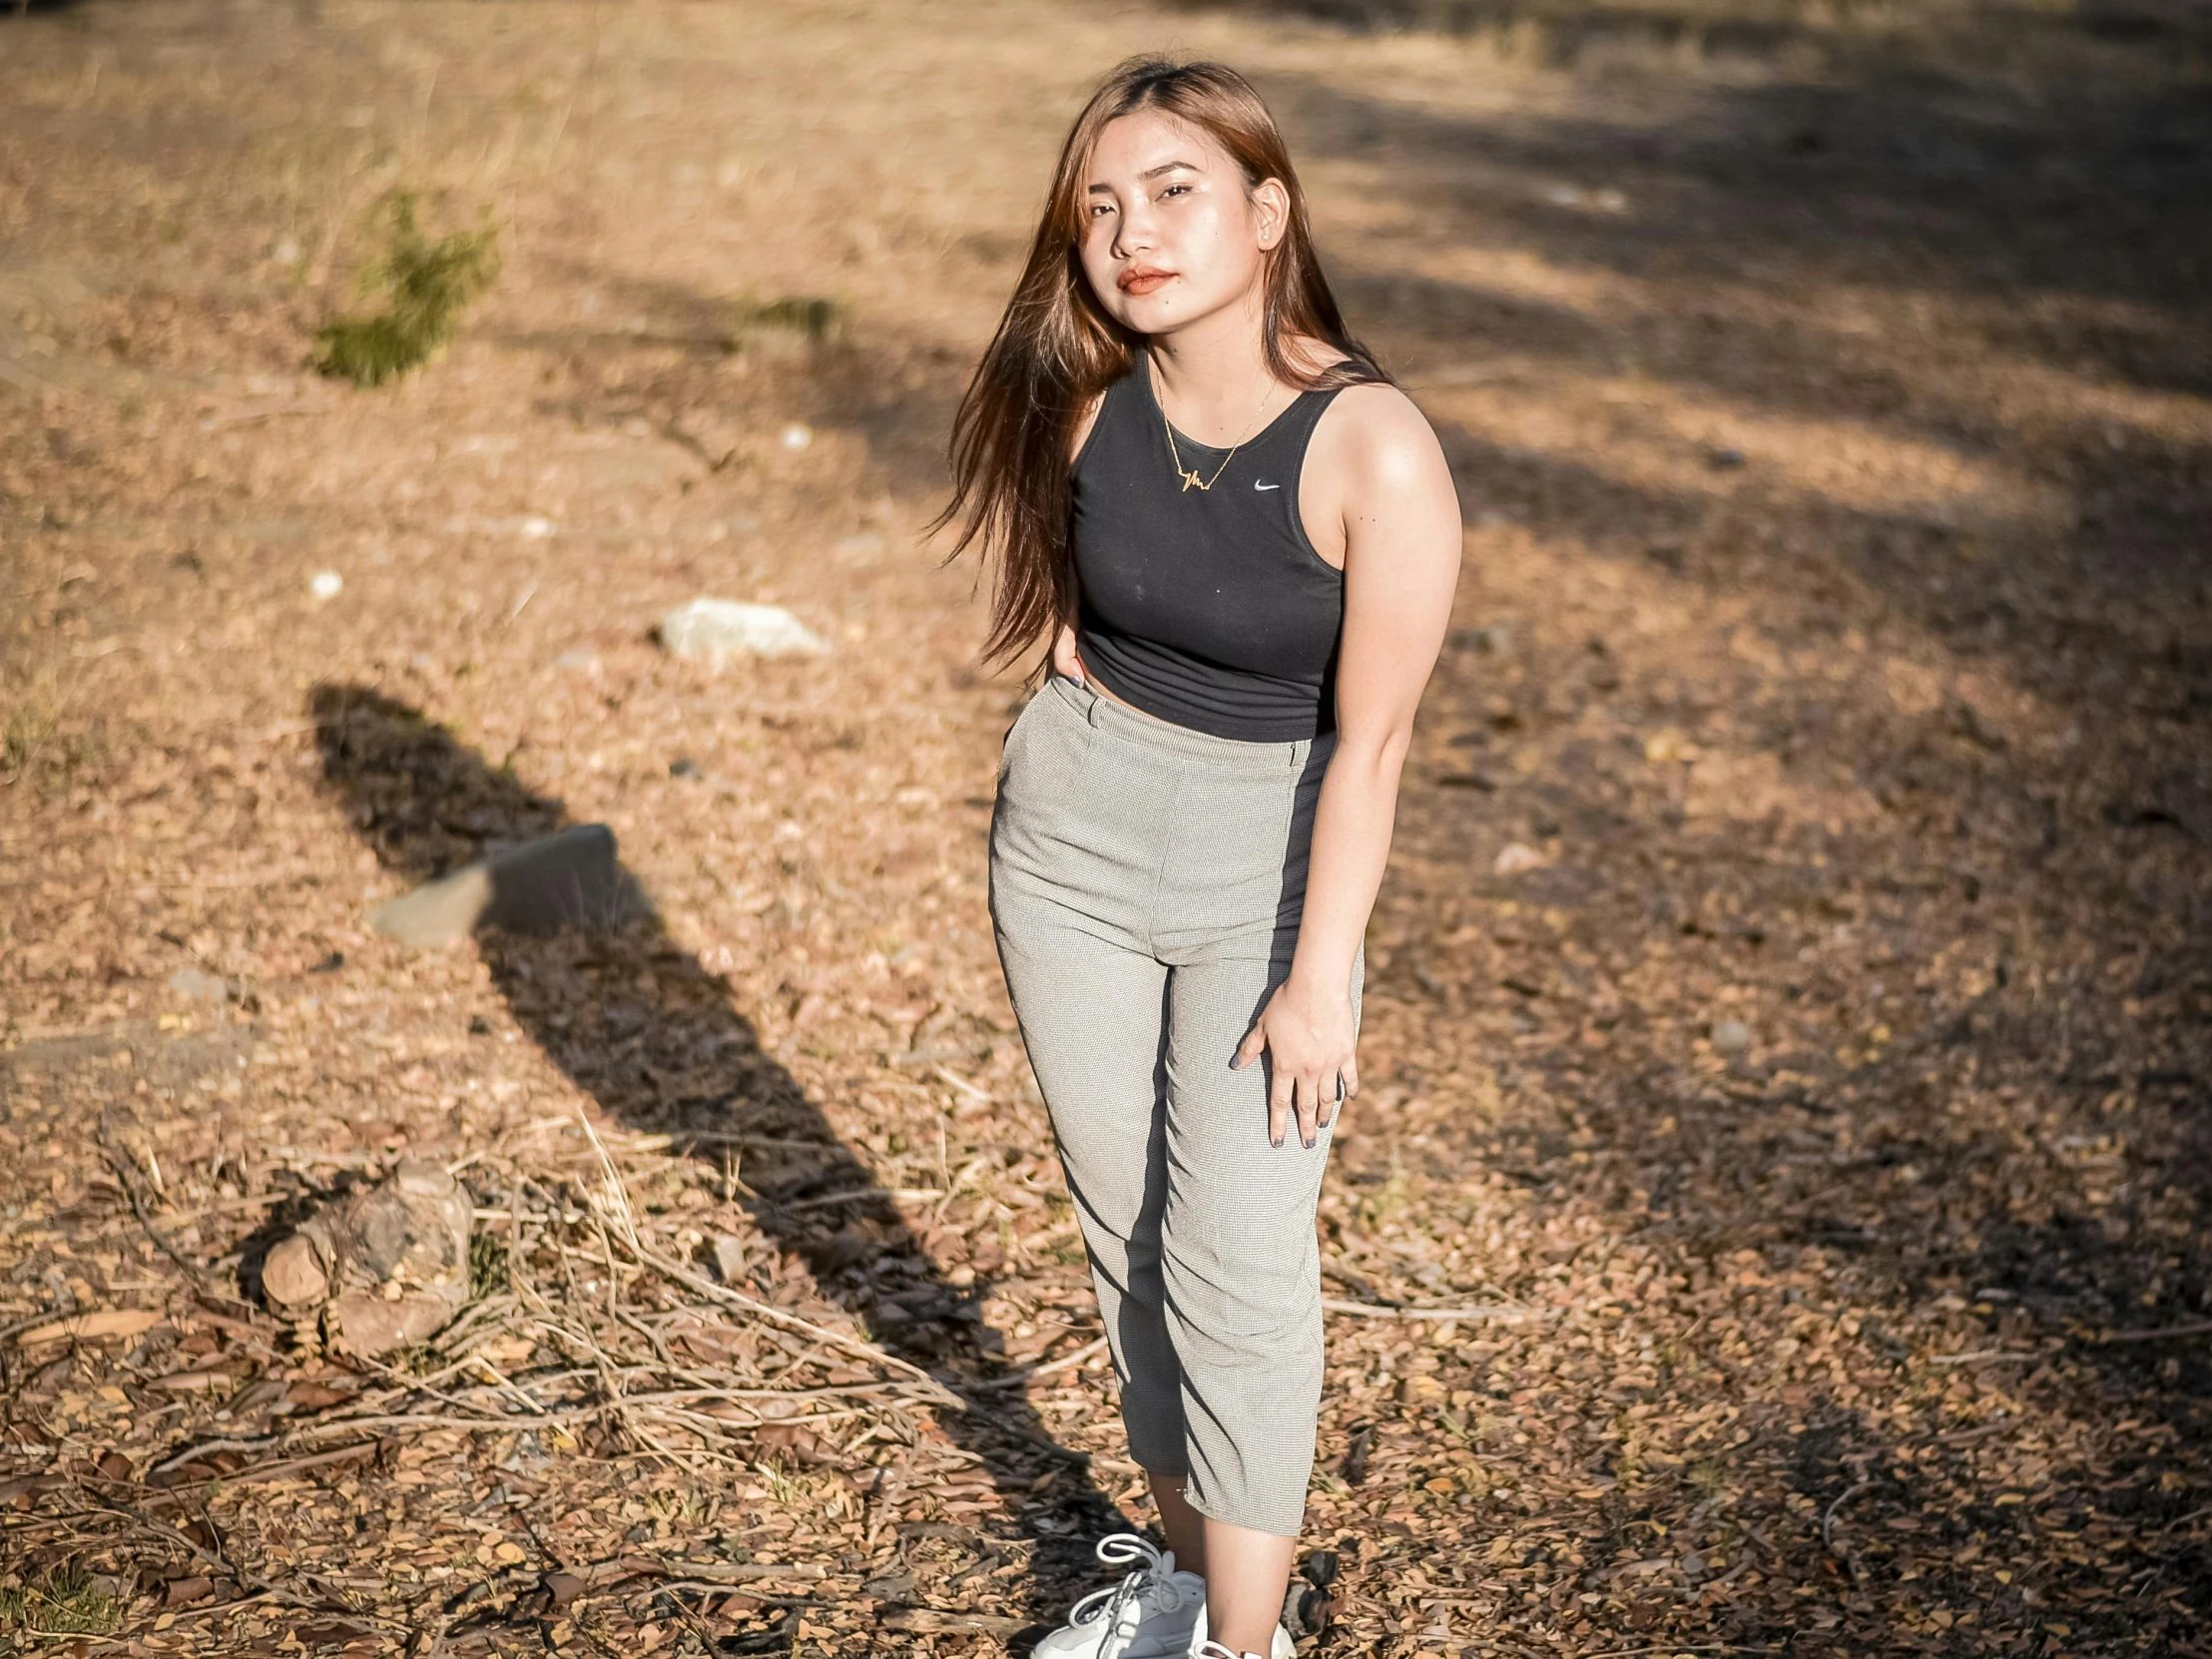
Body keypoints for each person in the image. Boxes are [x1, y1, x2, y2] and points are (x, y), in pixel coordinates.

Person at [933, 55, 1461, 1659]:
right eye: (1099, 205)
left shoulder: (1373, 449)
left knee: (1238, 1255)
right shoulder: (1093, 393)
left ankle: (1247, 1647)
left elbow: (1369, 748)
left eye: (1173, 191)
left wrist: (1321, 982)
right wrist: (1073, 711)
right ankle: (1184, 1582)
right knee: (1131, 1240)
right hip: (1074, 846)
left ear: (1268, 208)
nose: (1130, 232)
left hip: (1273, 859)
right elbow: (1081, 591)